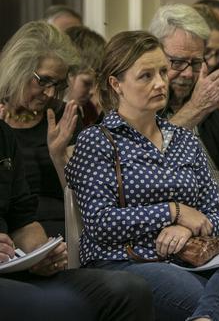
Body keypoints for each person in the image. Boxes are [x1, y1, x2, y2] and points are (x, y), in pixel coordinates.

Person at [65, 30, 219, 321]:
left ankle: (206, 317)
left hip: (190, 257)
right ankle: (208, 316)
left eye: (161, 72)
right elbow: (100, 222)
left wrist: (187, 229)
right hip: (126, 262)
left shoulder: (184, 139)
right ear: (116, 84)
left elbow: (214, 214)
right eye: (145, 76)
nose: (160, 83)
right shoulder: (97, 140)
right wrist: (173, 212)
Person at [0, 119, 154, 321]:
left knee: (130, 290)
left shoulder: (3, 135)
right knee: (57, 305)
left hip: (12, 268)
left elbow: (22, 220)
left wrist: (40, 253)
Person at [151, 3, 219, 240]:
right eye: (177, 62)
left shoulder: (213, 102)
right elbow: (142, 153)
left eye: (196, 63)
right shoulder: (142, 102)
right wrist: (197, 108)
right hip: (181, 220)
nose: (189, 74)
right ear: (154, 55)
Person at [0, 21, 82, 237]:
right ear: (18, 69)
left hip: (64, 232)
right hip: (12, 236)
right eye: (44, 81)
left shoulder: (64, 117)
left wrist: (58, 156)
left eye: (58, 84)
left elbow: (83, 198)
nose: (50, 93)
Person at [65, 25, 106, 127]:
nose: (92, 91)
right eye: (86, 83)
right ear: (66, 74)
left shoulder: (89, 110)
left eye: (98, 83)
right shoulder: (53, 113)